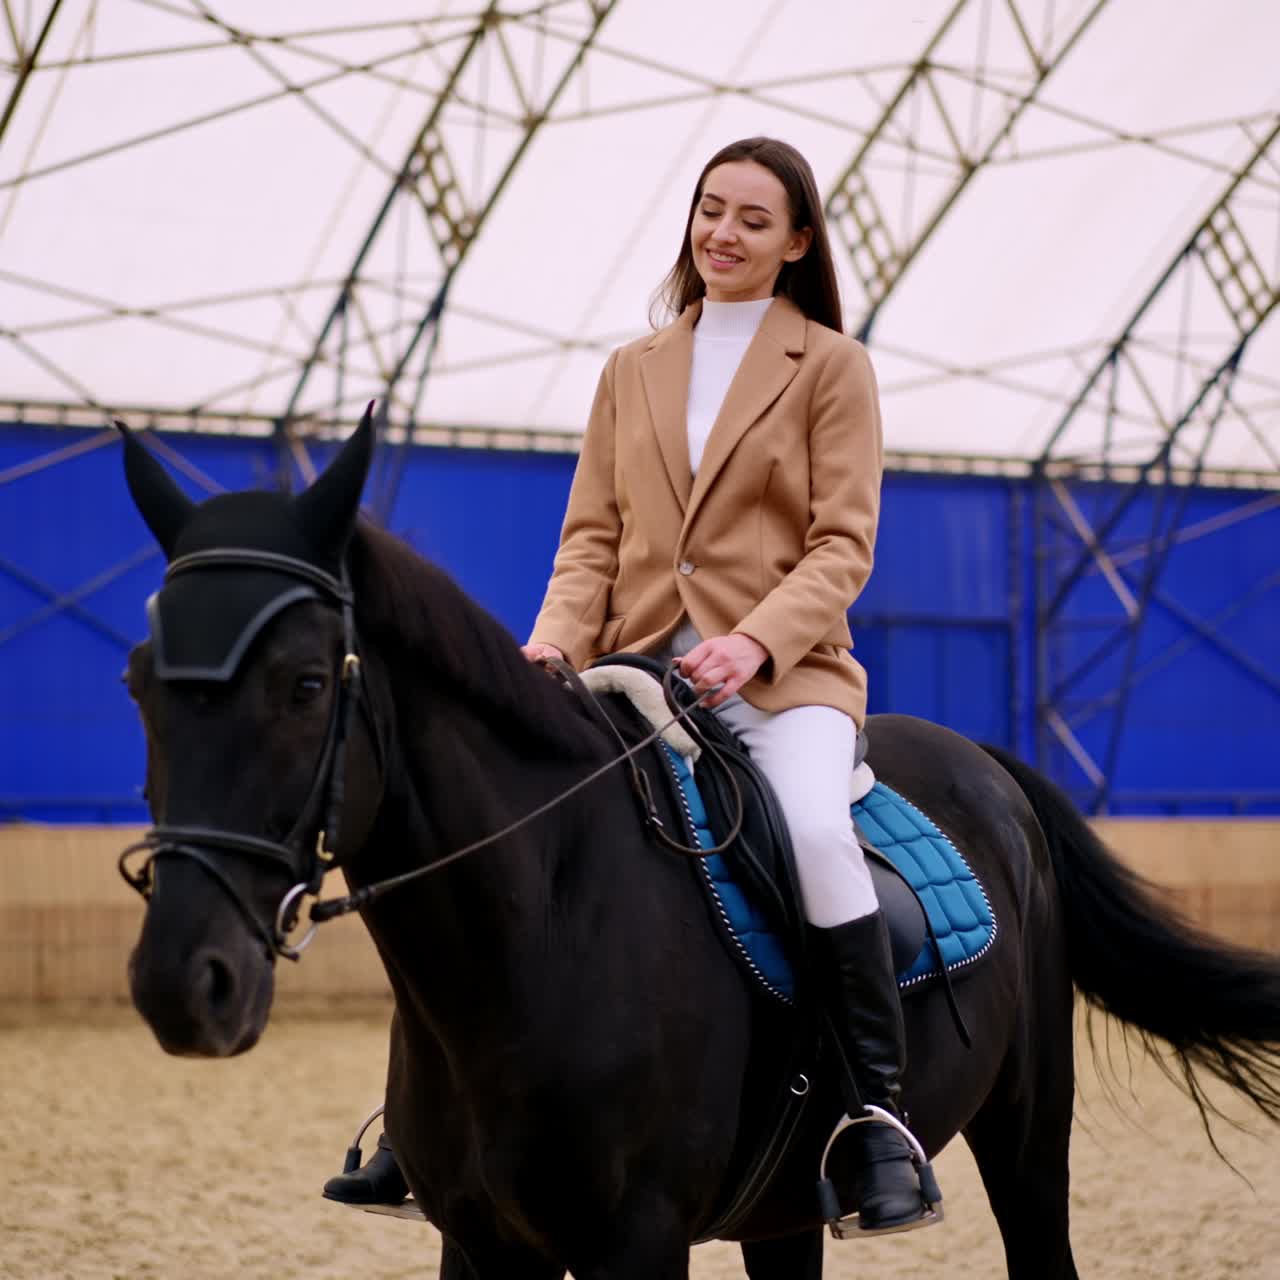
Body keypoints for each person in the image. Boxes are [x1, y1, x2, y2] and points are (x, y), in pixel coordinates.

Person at [326, 135, 933, 1233]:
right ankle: (424, 1122)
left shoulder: (830, 366)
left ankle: (874, 1113)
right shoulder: (632, 367)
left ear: (797, 243)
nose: (723, 234)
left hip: (779, 682)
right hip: (628, 667)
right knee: (500, 828)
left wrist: (751, 643)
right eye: (710, 209)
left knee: (811, 829)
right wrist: (548, 647)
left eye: (753, 219)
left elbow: (842, 545)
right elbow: (591, 541)